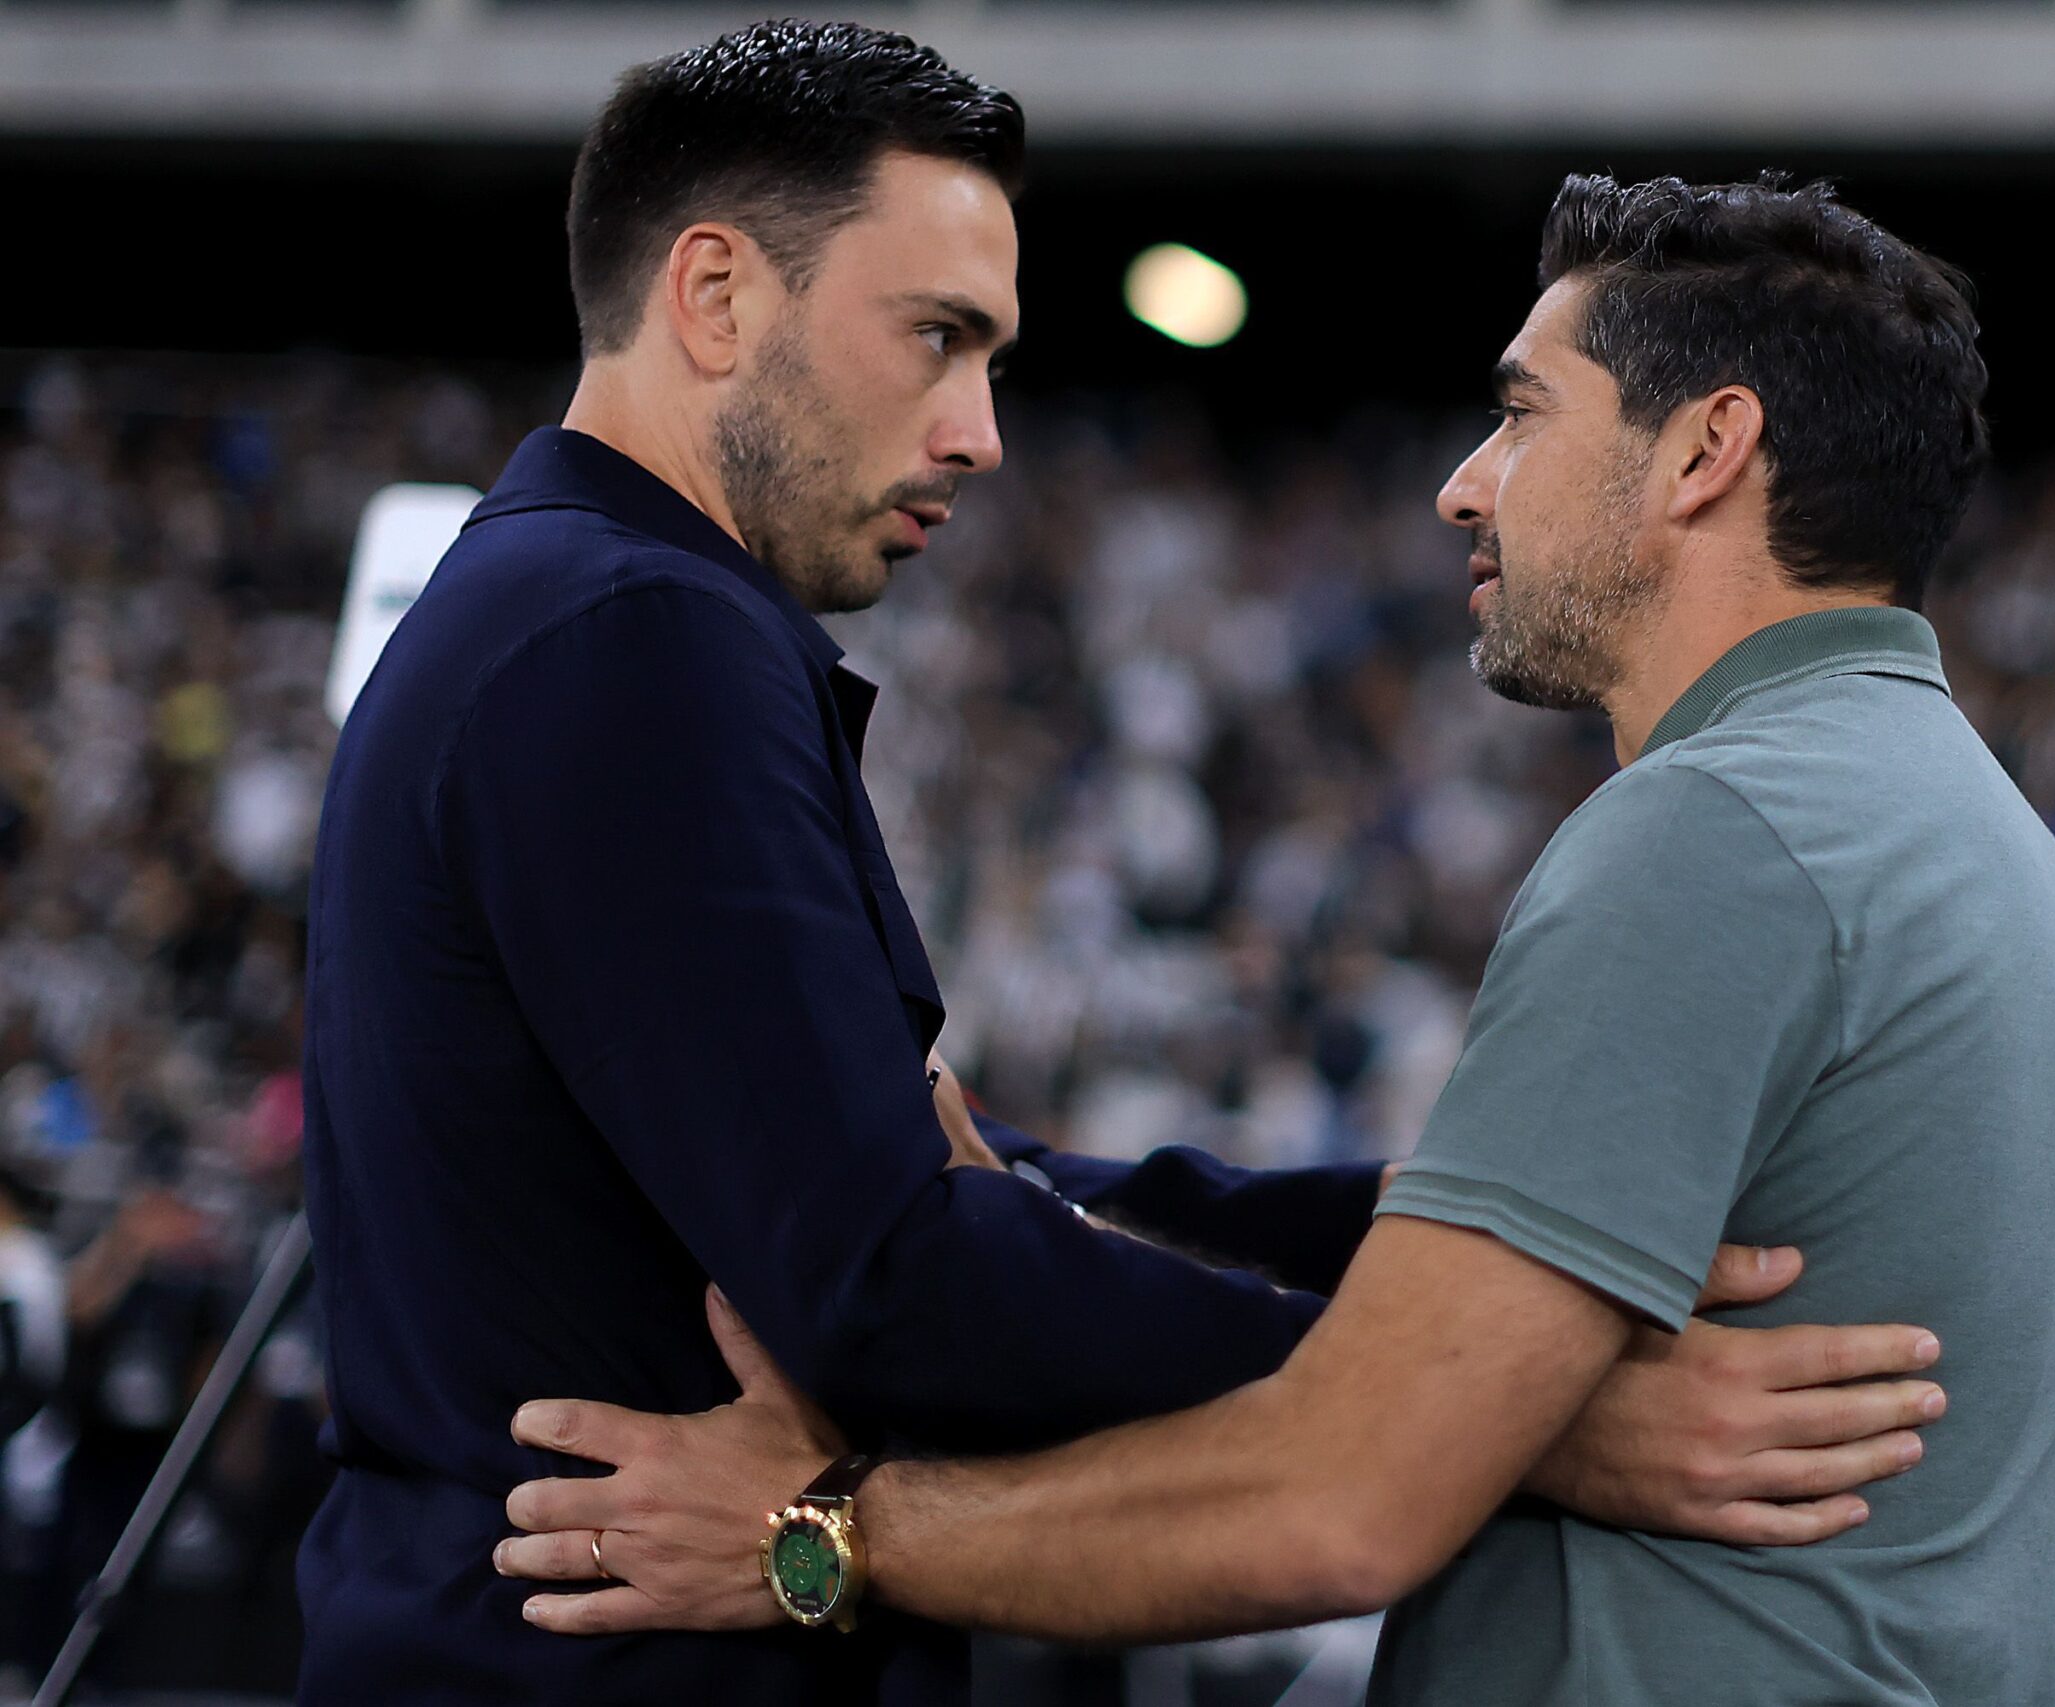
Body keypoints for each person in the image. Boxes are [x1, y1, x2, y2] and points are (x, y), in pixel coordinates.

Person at [298, 25, 1947, 1707]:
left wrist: (1431, 1238)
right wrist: (1486, 1408)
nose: (979, 431)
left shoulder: (553, 609)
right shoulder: (630, 635)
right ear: (714, 295)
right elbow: (894, 1274)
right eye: (936, 337)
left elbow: (945, 1172)